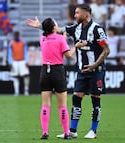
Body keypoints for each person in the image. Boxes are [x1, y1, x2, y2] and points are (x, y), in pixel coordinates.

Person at [26, 3, 110, 139]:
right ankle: (72, 131)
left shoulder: (97, 30)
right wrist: (40, 26)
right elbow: (56, 30)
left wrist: (94, 65)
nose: (74, 15)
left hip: (96, 70)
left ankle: (93, 131)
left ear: (85, 14)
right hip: (82, 70)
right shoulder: (75, 28)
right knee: (76, 98)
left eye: (77, 13)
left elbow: (107, 50)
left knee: (95, 100)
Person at [36, 17, 75, 140]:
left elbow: (48, 35)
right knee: (62, 105)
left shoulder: (42, 39)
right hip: (57, 71)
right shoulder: (60, 39)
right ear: (54, 27)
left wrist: (40, 26)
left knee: (45, 105)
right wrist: (76, 46)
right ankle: (66, 133)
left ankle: (45, 132)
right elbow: (68, 55)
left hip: (45, 72)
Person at [7, 31, 30, 96]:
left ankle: (26, 90)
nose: (16, 36)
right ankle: (16, 91)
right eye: (15, 35)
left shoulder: (23, 42)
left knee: (26, 75)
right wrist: (10, 62)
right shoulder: (11, 43)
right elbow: (9, 53)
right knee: (15, 76)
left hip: (22, 61)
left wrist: (26, 61)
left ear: (19, 35)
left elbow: (26, 52)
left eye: (17, 35)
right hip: (14, 62)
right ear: (14, 35)